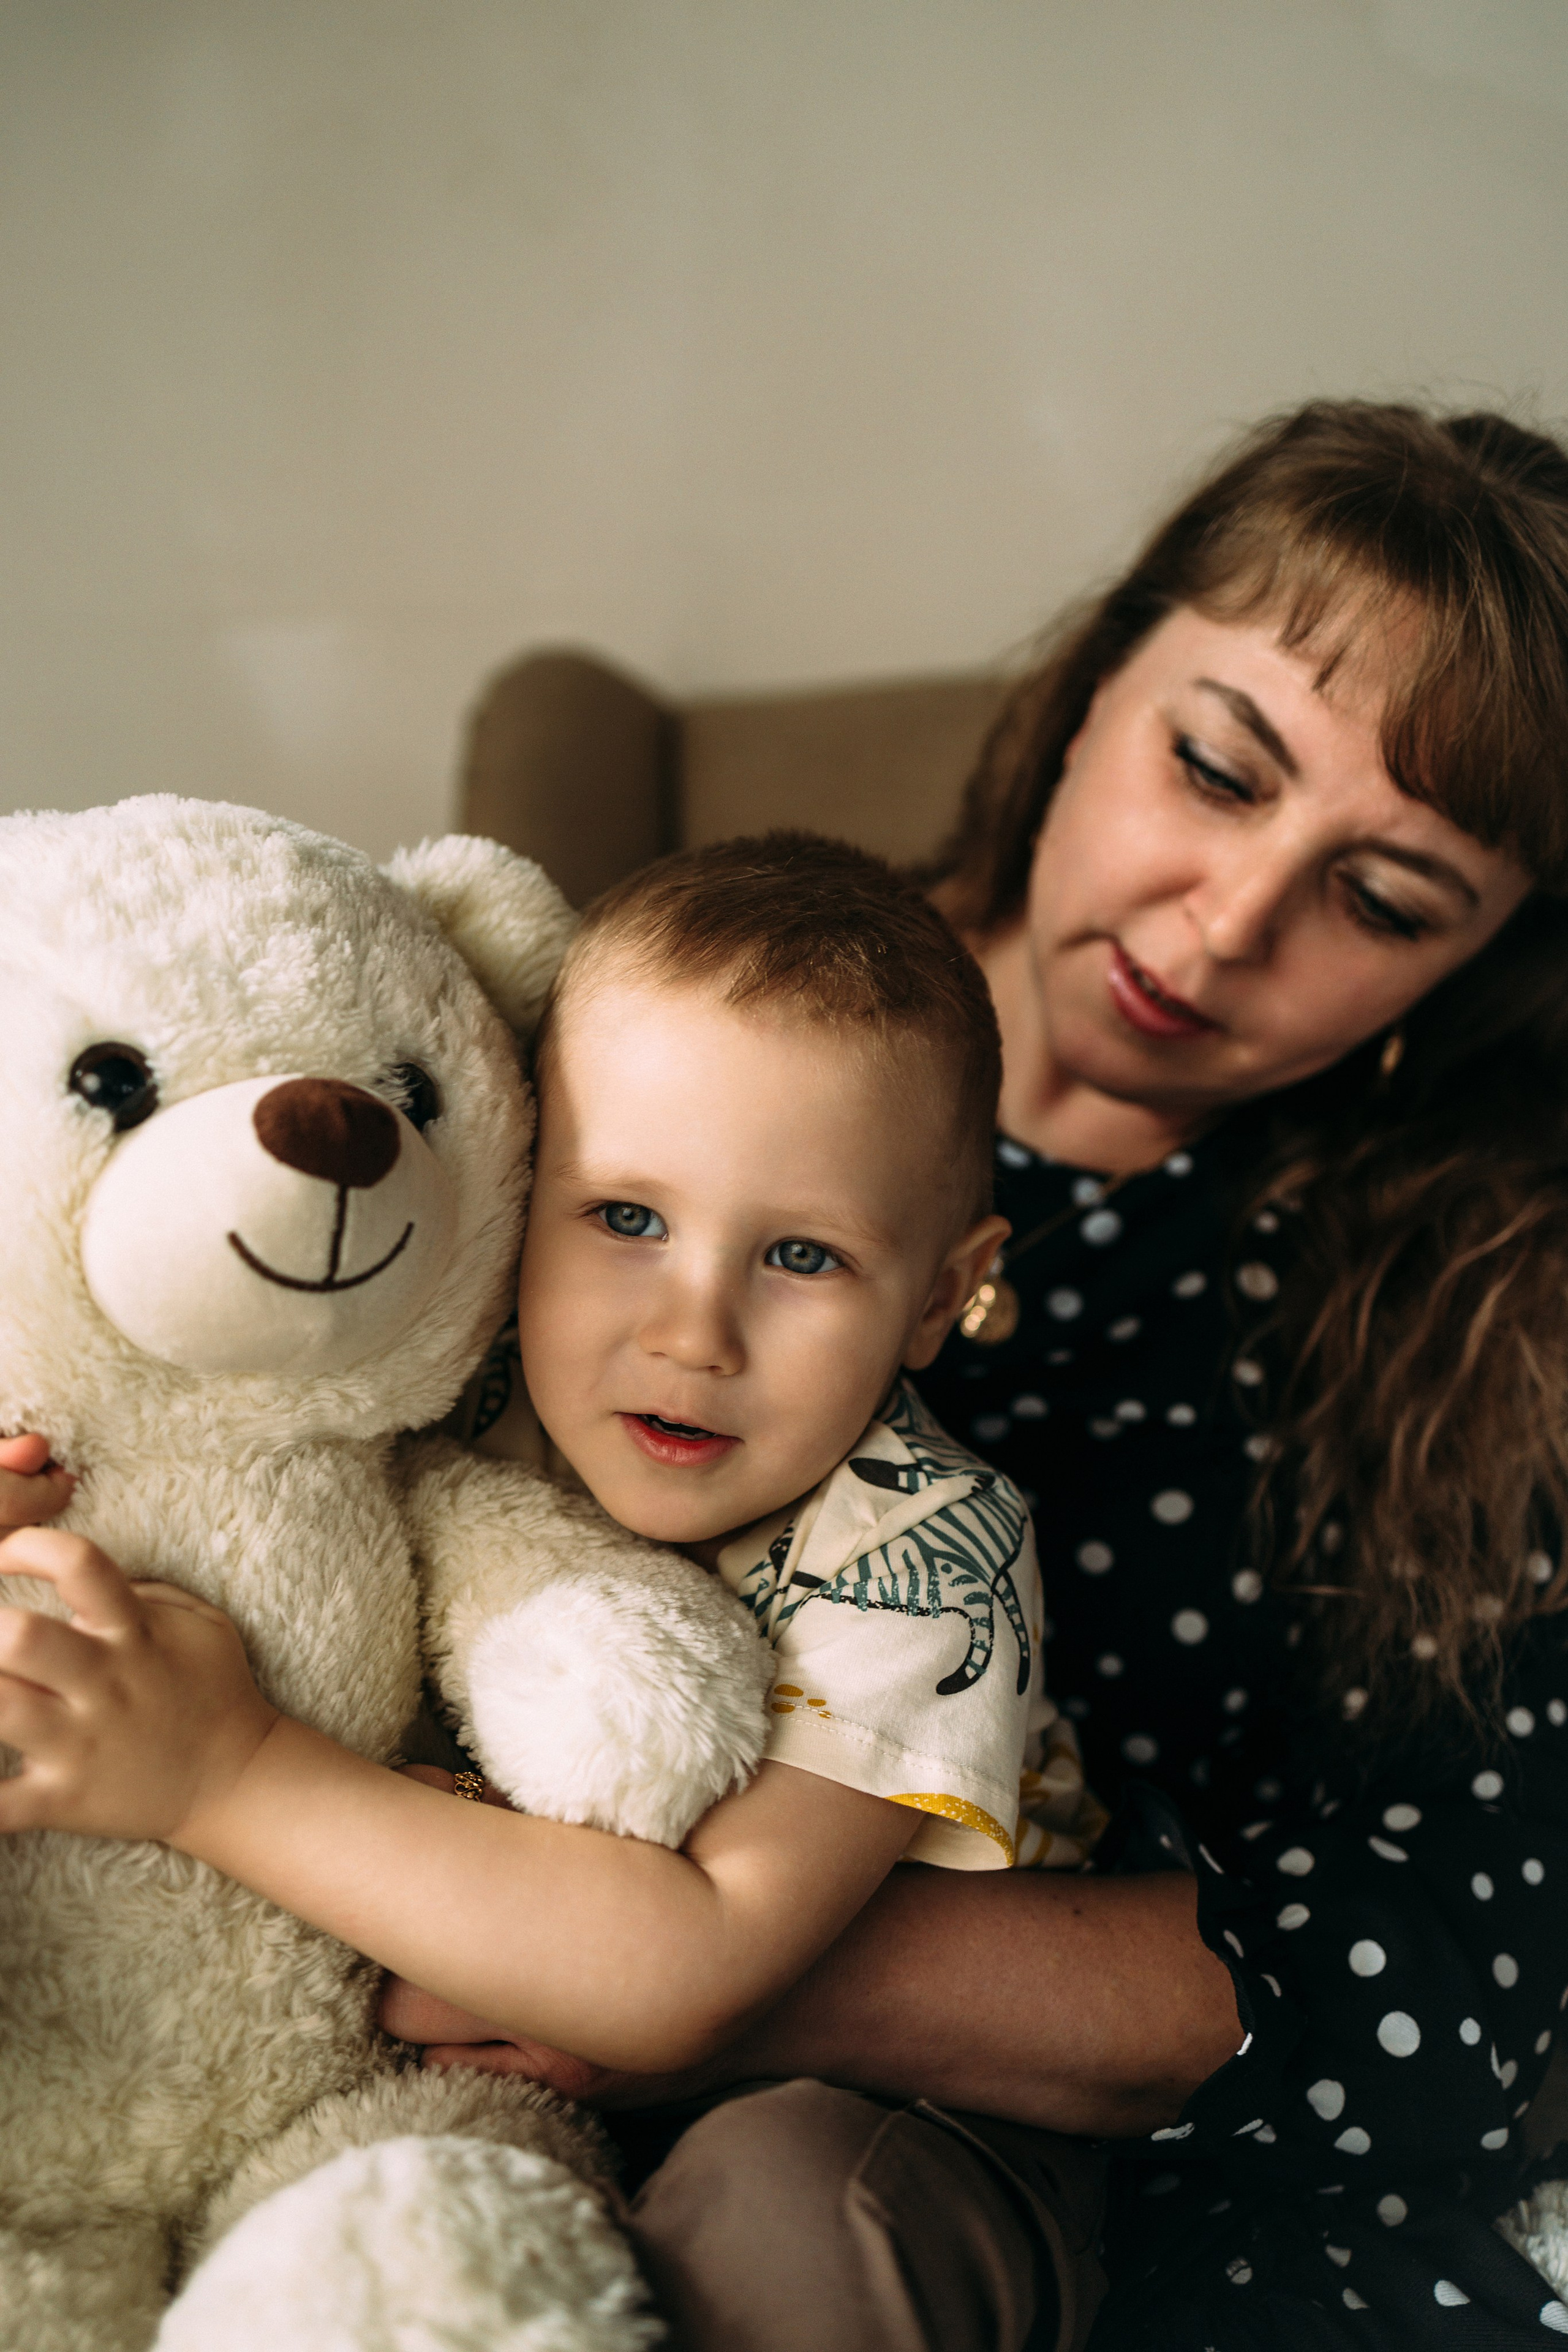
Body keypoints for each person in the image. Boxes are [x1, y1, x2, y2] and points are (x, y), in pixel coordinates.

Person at [385, 402, 1568, 2352]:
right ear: (1099, 682)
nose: (1230, 918)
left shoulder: (1481, 1319)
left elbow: (1457, 1981)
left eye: (1385, 899)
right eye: (1216, 768)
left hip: (1051, 2183)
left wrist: (689, 1965)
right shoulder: (647, 1015)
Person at [0, 837, 1105, 2334]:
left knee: (797, 2208)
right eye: (626, 1218)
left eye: (800, 1255)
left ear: (936, 1293)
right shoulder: (459, 1379)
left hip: (884, 2095)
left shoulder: (923, 1549)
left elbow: (691, 1968)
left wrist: (221, 1775)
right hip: (440, 2057)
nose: (691, 1330)